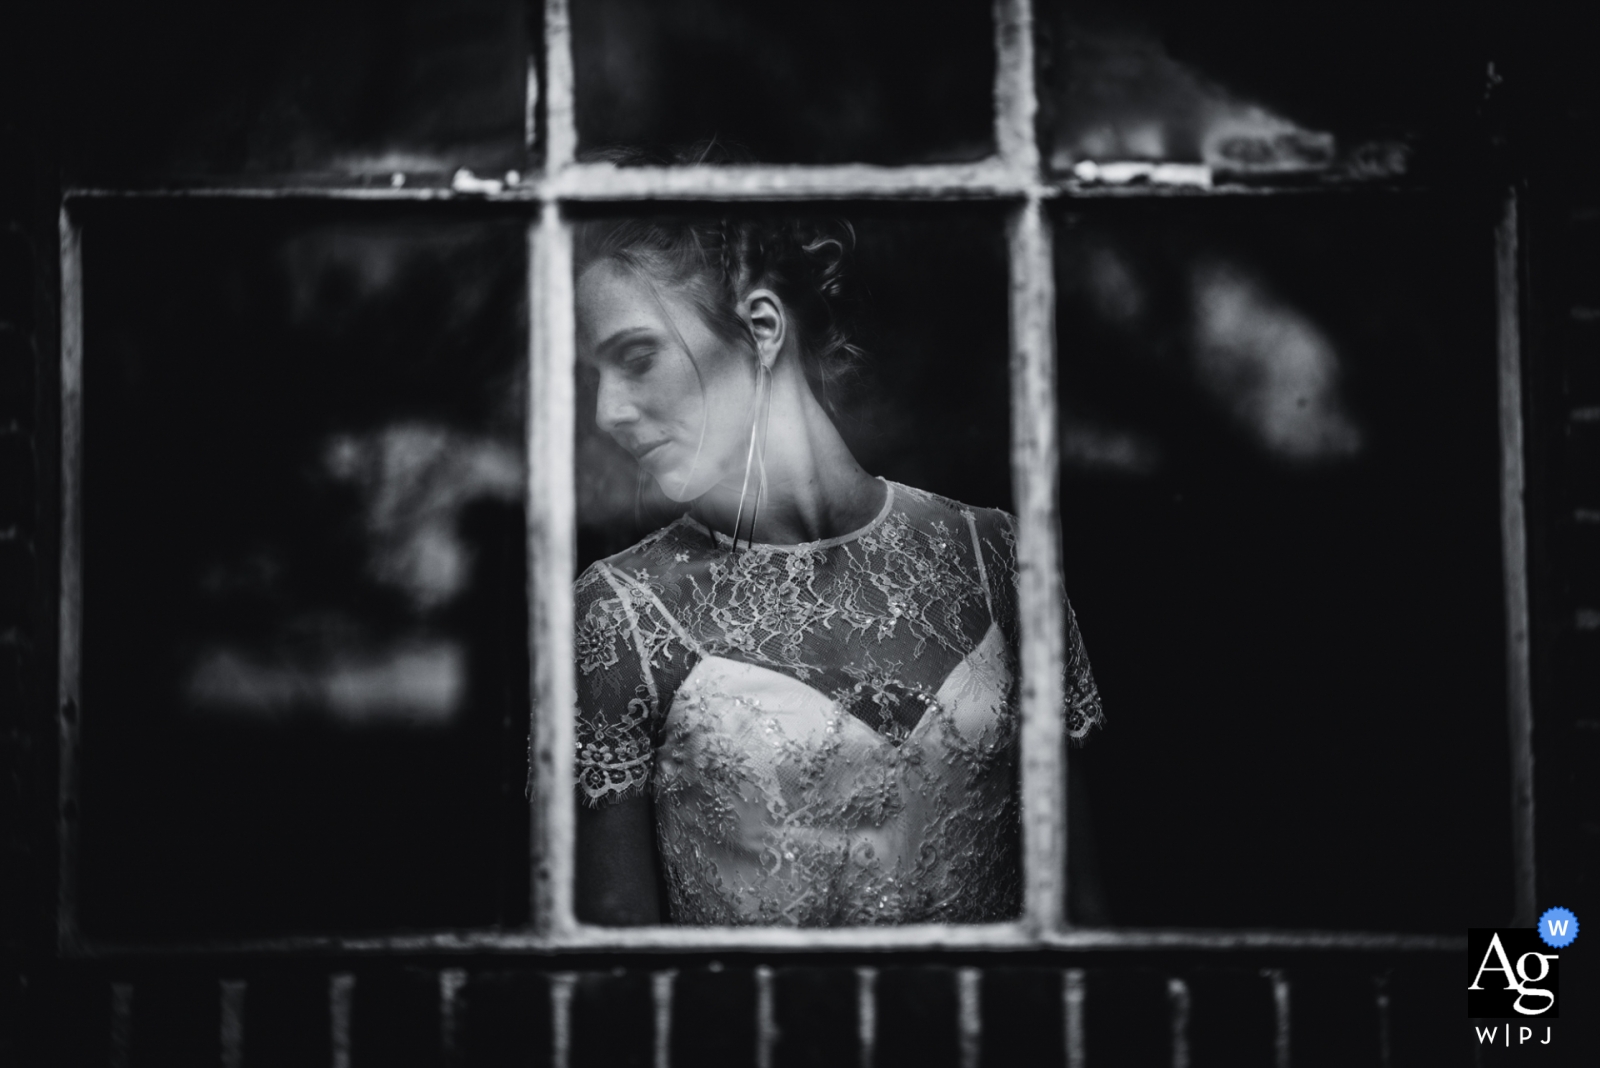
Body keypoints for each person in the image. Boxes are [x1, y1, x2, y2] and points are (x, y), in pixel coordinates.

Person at [571, 212, 1103, 926]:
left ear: (762, 327)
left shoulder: (997, 559)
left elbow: (1084, 925)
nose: (606, 412)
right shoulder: (622, 616)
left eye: (635, 357)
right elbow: (617, 985)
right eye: (593, 376)